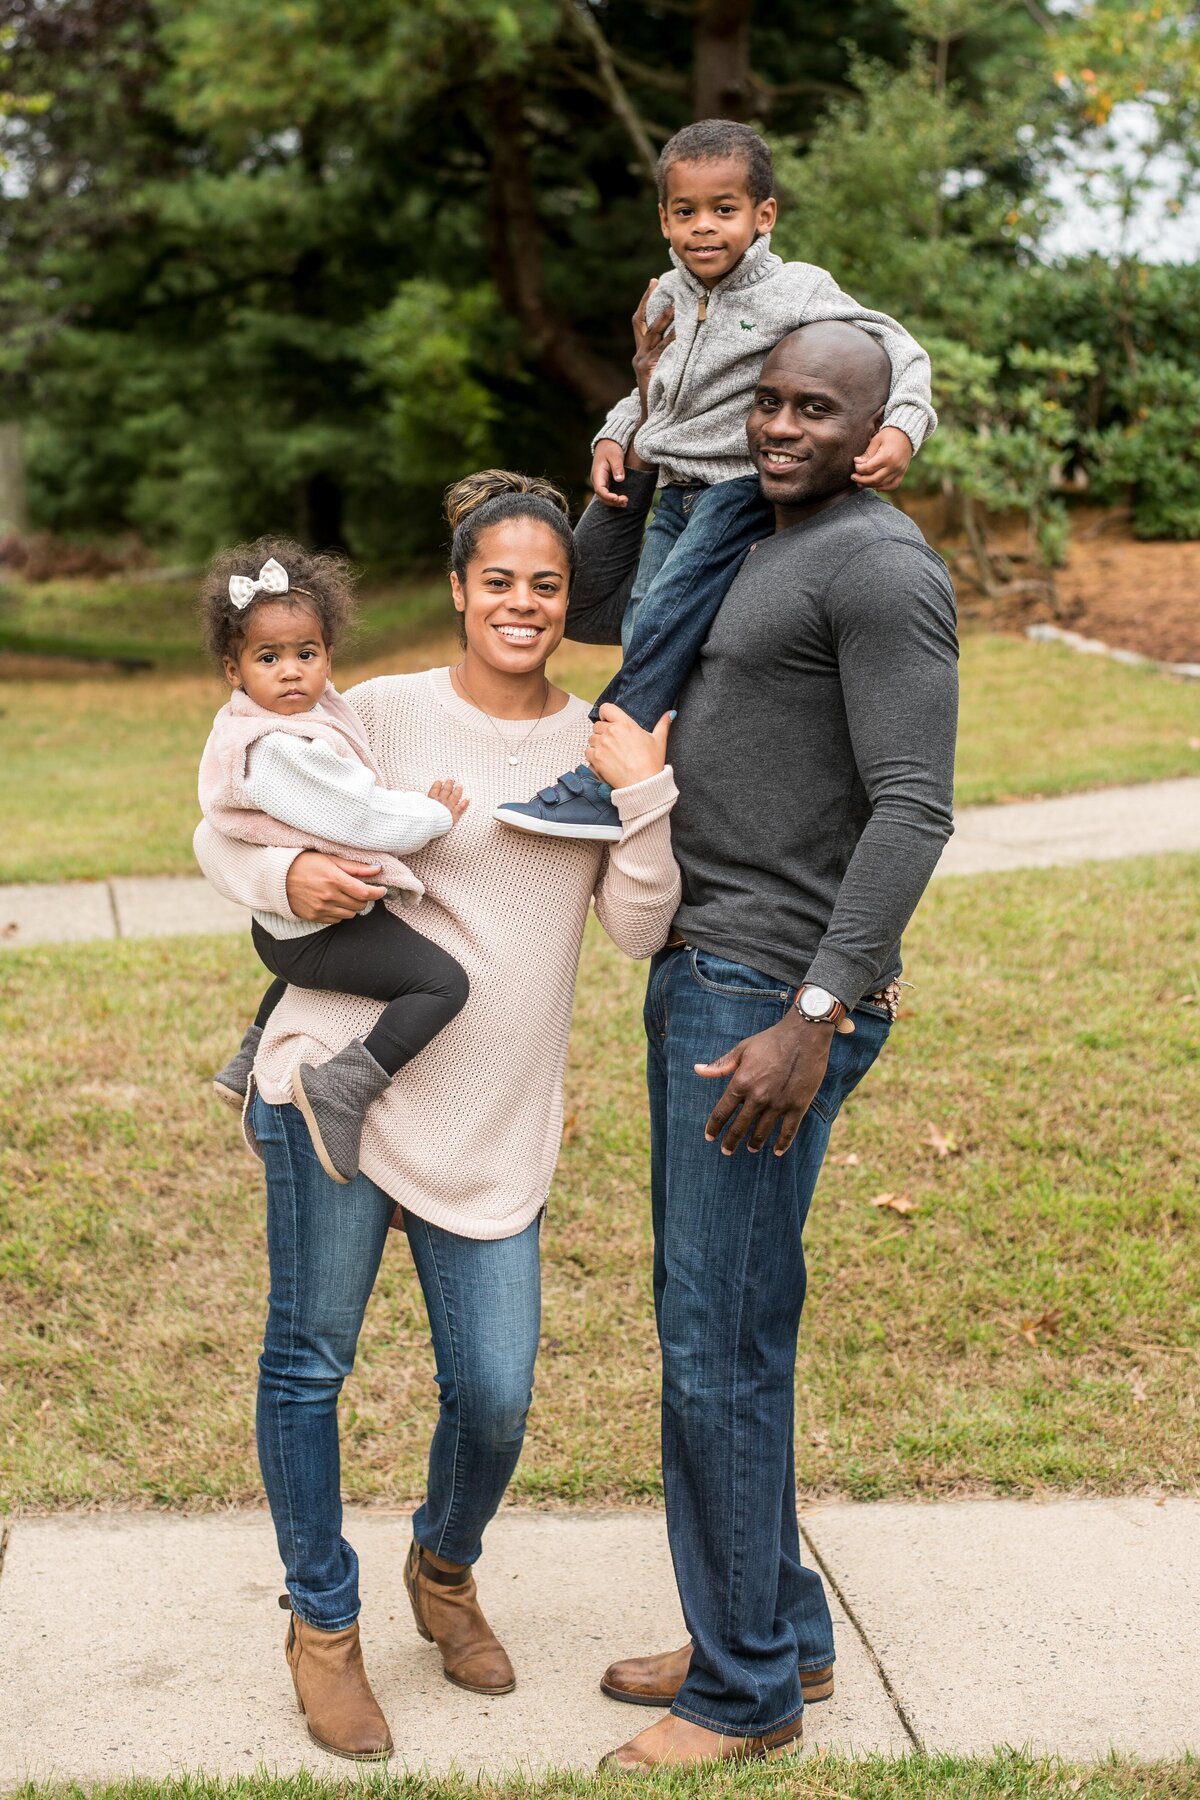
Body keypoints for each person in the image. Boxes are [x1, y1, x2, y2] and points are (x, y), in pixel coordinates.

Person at [192, 473, 680, 1762]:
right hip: (333, 1085)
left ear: (572, 602)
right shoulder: (378, 712)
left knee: (498, 1393)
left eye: (548, 584)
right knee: (311, 1364)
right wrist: (283, 871)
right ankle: (325, 1629)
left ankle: (445, 1573)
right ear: (460, 589)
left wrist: (645, 799)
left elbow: (636, 928)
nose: (522, 603)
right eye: (498, 580)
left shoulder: (598, 738)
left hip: (496, 1122)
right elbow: (232, 819)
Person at [563, 320, 959, 1771]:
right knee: (741, 1329)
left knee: (712, 1346)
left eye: (819, 409)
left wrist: (817, 1011)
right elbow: (608, 608)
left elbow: (916, 807)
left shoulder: (879, 566)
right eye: (770, 400)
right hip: (713, 962)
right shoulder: (752, 529)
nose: (784, 424)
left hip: (767, 998)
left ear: (876, 431)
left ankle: (743, 1695)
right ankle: (772, 1622)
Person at [495, 118, 936, 845]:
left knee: (667, 610)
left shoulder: (795, 290)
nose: (704, 228)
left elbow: (898, 343)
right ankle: (657, 769)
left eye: (724, 210)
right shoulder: (666, 293)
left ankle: (600, 776)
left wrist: (904, 425)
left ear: (763, 216)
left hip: (736, 485)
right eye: (685, 211)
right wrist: (615, 430)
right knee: (644, 626)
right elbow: (659, 390)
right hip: (670, 487)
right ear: (663, 216)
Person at [199, 538, 471, 1184]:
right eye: (269, 658)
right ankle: (344, 1088)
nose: (292, 671)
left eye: (307, 654)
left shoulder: (278, 721)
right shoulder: (279, 749)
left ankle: (247, 1057)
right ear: (234, 671)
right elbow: (358, 814)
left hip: (287, 931)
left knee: (324, 968)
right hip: (315, 929)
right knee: (441, 984)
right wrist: (434, 817)